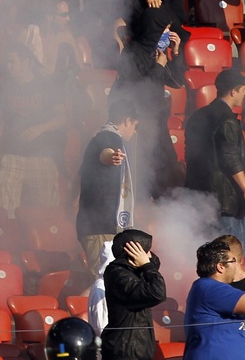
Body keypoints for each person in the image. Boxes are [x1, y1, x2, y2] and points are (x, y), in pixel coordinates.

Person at [184, 69, 245, 251]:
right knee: (231, 256)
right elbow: (230, 158)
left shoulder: (197, 116)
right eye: (243, 89)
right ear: (233, 91)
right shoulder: (228, 120)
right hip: (226, 202)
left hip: (199, 198)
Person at [185, 239, 245, 360]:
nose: (237, 264)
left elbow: (234, 329)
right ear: (220, 267)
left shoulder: (213, 289)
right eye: (233, 261)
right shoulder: (208, 288)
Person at [76, 101, 141, 275]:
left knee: (106, 281)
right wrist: (112, 157)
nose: (134, 132)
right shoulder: (110, 137)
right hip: (100, 227)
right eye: (135, 126)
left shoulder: (100, 137)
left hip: (97, 225)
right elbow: (106, 152)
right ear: (128, 121)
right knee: (103, 281)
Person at [101, 229, 165, 360]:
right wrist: (146, 266)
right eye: (145, 251)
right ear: (132, 253)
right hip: (125, 350)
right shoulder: (118, 273)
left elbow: (155, 262)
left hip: (137, 349)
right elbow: (157, 293)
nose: (149, 255)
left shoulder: (134, 271)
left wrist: (146, 264)